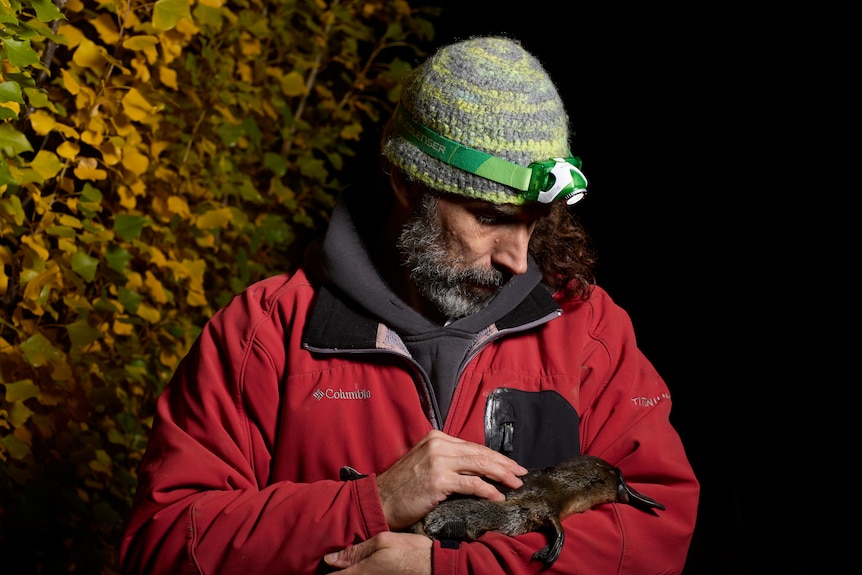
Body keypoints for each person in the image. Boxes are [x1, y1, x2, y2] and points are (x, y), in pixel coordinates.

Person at [120, 35, 699, 574]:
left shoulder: (589, 331)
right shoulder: (263, 333)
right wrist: (370, 501)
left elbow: (658, 527)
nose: (519, 259)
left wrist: (452, 568)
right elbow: (161, 545)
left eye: (533, 222)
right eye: (490, 217)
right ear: (405, 182)